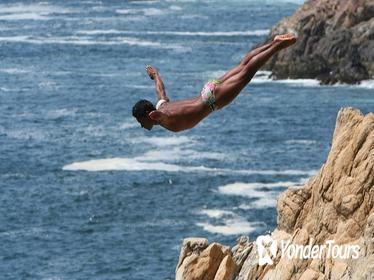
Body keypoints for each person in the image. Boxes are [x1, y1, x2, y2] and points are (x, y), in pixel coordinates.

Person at [132, 33, 297, 132]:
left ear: (150, 115)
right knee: (243, 66)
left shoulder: (161, 116)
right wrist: (155, 75)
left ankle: (277, 46)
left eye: (140, 121)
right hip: (207, 90)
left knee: (247, 72)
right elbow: (161, 91)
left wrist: (155, 78)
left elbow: (159, 111)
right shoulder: (161, 105)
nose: (141, 125)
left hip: (212, 101)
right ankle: (274, 42)